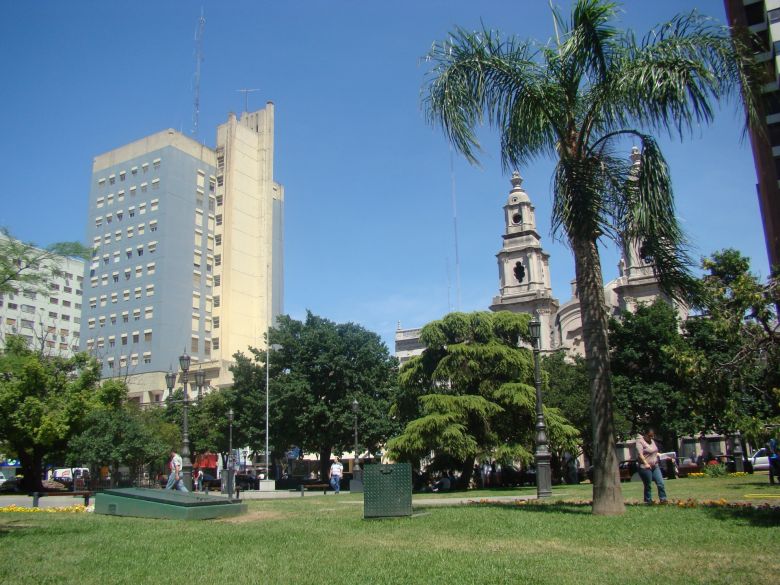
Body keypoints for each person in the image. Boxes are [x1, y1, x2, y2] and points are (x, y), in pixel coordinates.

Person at [635, 430, 667, 504]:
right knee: (648, 485)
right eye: (650, 435)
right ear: (645, 434)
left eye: (652, 435)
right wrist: (646, 463)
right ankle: (648, 500)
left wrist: (665, 456)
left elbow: (654, 452)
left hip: (655, 466)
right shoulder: (640, 441)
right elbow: (640, 454)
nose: (651, 437)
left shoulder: (652, 441)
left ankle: (663, 499)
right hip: (644, 467)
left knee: (660, 483)